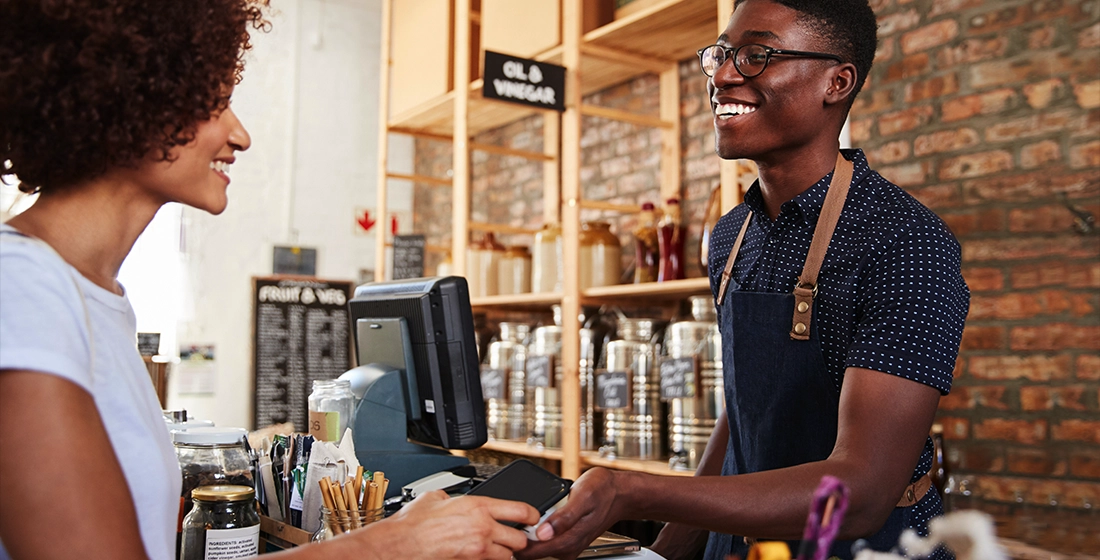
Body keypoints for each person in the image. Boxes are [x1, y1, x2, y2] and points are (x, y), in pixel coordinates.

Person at [0, 2, 538, 560]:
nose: (241, 135)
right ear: (126, 93)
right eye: (214, 101)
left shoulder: (94, 298)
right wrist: (392, 545)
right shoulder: (23, 289)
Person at [518, 1, 969, 560]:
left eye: (757, 55)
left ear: (837, 81)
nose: (725, 75)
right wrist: (664, 553)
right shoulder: (732, 236)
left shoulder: (904, 239)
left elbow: (863, 492)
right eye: (724, 54)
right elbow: (743, 407)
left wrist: (631, 491)